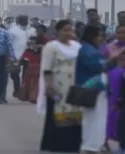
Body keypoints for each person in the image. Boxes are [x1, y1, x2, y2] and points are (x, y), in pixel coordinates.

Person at [37, 19, 82, 153]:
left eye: (71, 30)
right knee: (56, 115)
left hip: (74, 85)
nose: (68, 33)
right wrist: (48, 85)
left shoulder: (76, 46)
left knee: (74, 114)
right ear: (57, 31)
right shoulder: (51, 47)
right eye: (65, 30)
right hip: (57, 86)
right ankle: (55, 144)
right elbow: (47, 68)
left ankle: (73, 143)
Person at [76, 25, 108, 154]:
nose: (102, 39)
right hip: (92, 88)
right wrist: (109, 61)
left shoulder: (91, 48)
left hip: (93, 87)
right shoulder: (87, 50)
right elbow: (96, 66)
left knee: (93, 118)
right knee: (95, 118)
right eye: (99, 36)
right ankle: (92, 145)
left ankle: (92, 144)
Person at [7, 15, 36, 99]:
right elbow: (9, 44)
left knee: (26, 74)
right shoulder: (13, 31)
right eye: (22, 20)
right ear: (18, 21)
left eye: (25, 20)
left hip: (29, 56)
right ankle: (16, 89)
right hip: (16, 55)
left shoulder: (32, 30)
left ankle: (24, 91)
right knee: (14, 74)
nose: (24, 21)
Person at [16, 35, 44, 104]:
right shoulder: (41, 50)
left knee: (28, 83)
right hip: (36, 68)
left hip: (30, 68)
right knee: (35, 83)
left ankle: (30, 97)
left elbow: (21, 60)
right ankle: (33, 97)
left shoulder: (28, 51)